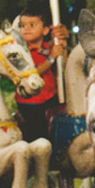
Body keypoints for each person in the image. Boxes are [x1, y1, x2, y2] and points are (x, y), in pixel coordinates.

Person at [16, 9, 66, 142]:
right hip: (31, 102)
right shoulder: (21, 50)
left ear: (45, 30)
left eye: (32, 25)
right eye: (23, 25)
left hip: (49, 98)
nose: (26, 29)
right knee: (39, 136)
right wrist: (51, 58)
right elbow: (32, 72)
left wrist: (61, 43)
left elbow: (62, 66)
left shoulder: (46, 48)